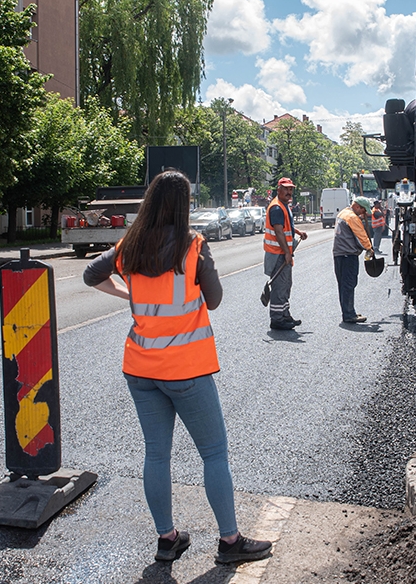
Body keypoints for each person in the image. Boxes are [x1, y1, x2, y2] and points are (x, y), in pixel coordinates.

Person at [83, 171, 273, 565]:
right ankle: (229, 541)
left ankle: (167, 539)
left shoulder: (129, 245)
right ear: (184, 205)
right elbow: (214, 300)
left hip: (140, 367)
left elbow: (91, 275)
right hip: (185, 369)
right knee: (214, 453)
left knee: (156, 455)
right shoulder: (193, 246)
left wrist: (128, 294)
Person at [263, 177, 308, 330]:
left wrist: (298, 232)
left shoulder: (284, 205)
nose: (289, 192)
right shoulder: (276, 207)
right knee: (279, 286)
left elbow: (285, 226)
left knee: (286, 285)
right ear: (279, 190)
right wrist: (287, 253)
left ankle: (285, 315)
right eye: (286, 189)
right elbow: (278, 232)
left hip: (281, 253)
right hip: (278, 254)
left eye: (291, 189)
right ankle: (277, 320)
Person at [334, 196, 376, 324]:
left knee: (343, 284)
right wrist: (369, 248)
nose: (364, 213)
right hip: (348, 255)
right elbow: (360, 235)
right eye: (363, 210)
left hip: (339, 254)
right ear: (357, 206)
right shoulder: (352, 217)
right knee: (349, 284)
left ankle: (348, 311)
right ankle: (349, 314)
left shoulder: (343, 213)